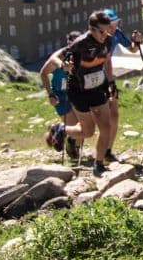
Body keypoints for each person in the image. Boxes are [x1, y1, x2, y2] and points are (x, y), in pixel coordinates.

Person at [47, 11, 116, 175]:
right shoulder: (80, 44)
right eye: (101, 31)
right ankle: (61, 129)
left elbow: (106, 62)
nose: (104, 34)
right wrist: (64, 65)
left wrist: (111, 83)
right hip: (78, 91)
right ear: (90, 29)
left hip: (98, 87)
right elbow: (55, 58)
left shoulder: (109, 40)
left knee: (106, 126)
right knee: (88, 132)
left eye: (108, 30)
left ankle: (98, 164)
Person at [103, 8, 141, 163]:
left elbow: (132, 49)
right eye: (109, 26)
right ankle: (72, 137)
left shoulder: (116, 33)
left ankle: (108, 151)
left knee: (114, 115)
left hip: (108, 78)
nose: (112, 29)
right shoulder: (95, 38)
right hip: (94, 78)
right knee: (94, 119)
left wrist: (136, 41)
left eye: (115, 25)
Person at [41, 31, 86, 161]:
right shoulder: (59, 57)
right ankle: (74, 153)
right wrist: (50, 94)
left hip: (77, 93)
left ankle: (72, 148)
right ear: (68, 45)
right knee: (74, 125)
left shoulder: (83, 56)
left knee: (83, 125)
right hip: (60, 96)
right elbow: (43, 73)